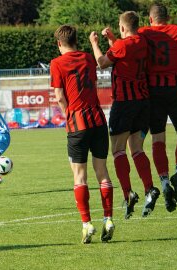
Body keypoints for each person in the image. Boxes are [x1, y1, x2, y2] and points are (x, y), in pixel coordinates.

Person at [89, 11, 160, 219]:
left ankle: (128, 193)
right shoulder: (142, 42)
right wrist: (112, 39)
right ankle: (149, 188)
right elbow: (124, 51)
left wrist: (94, 43)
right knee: (136, 148)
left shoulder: (122, 45)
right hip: (143, 102)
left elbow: (102, 62)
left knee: (118, 150)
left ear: (122, 27)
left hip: (124, 103)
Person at [51, 25, 114, 244]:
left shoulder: (57, 63)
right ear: (76, 41)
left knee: (79, 176)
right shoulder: (88, 58)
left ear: (59, 43)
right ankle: (108, 219)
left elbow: (60, 96)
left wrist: (68, 115)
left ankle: (87, 224)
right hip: (97, 120)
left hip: (77, 123)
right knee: (102, 172)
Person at [138, 3, 177, 212]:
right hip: (176, 90)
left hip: (154, 93)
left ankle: (164, 184)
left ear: (150, 19)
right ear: (167, 17)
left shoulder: (144, 33)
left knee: (158, 140)